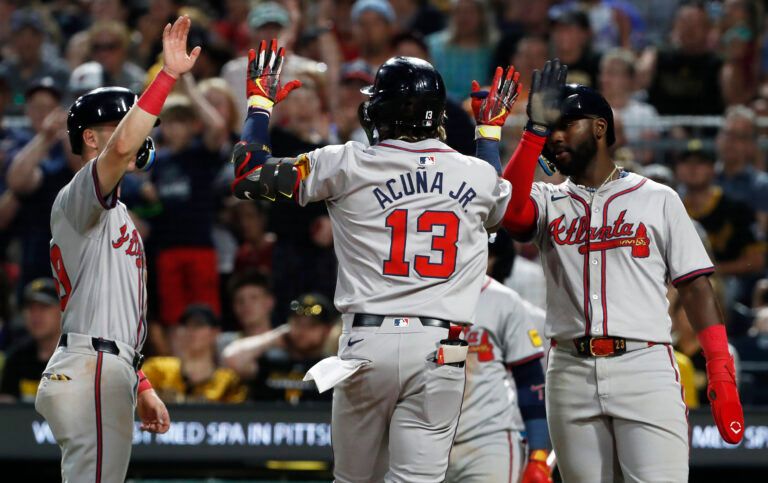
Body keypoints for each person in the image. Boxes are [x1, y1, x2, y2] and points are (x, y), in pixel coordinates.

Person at [230, 40, 511, 481]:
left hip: (368, 342)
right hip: (442, 346)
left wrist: (260, 105)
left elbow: (249, 175)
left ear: (383, 110)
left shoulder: (347, 161)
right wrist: (488, 133)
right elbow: (502, 207)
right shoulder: (477, 174)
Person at [489, 60, 744, 481]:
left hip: (643, 367)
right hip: (569, 370)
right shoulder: (548, 199)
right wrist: (532, 130)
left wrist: (720, 367)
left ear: (600, 128)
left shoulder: (657, 198)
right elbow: (509, 213)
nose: (555, 136)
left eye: (565, 124)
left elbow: (695, 286)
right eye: (549, 128)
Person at [34, 15, 200, 482]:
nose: (139, 135)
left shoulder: (119, 213)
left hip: (105, 364)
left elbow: (109, 310)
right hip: (92, 367)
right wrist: (165, 77)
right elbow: (123, 148)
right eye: (121, 123)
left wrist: (140, 381)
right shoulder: (81, 193)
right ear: (90, 137)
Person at [446, 238, 551, 483]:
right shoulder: (421, 300)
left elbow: (531, 382)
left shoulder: (502, 300)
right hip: (430, 440)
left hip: (488, 438)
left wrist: (538, 453)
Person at [222, 293, 339, 403]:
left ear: (327, 330)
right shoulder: (271, 362)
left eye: (311, 325)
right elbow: (231, 358)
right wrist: (275, 336)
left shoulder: (333, 369)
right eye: (297, 323)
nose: (302, 331)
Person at [140, 304, 247, 403]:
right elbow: (131, 393)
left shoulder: (227, 381)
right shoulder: (158, 369)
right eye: (185, 325)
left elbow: (236, 417)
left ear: (215, 332)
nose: (191, 330)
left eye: (199, 325)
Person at [0, 278, 61, 403]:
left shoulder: (75, 356)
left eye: (44, 307)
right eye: (30, 308)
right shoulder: (16, 358)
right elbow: (7, 410)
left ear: (62, 311)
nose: (35, 315)